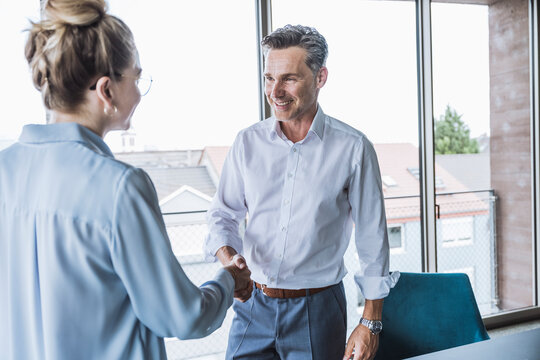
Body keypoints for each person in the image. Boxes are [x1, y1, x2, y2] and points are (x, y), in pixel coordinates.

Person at [0, 0, 251, 359]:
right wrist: (229, 279)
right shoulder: (120, 187)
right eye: (138, 78)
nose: (139, 91)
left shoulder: (3, 170)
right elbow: (183, 317)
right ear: (106, 90)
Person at [205, 24, 400, 360]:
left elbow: (372, 239)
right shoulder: (247, 143)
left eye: (289, 79)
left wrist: (371, 321)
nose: (275, 91)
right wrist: (230, 259)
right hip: (253, 305)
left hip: (318, 310)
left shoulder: (353, 148)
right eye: (269, 78)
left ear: (320, 77)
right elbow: (224, 214)